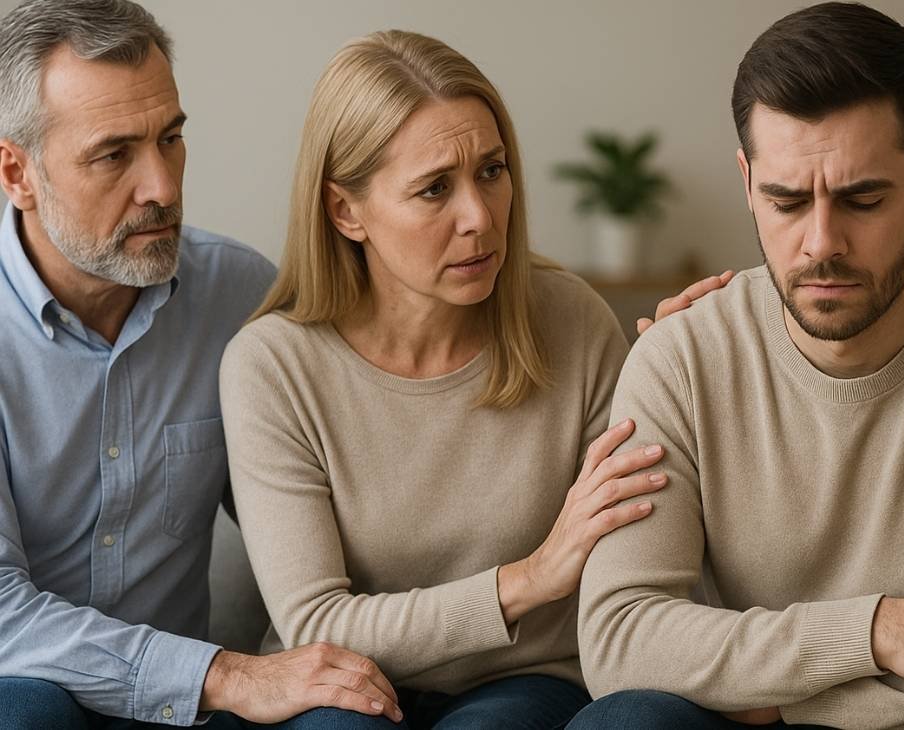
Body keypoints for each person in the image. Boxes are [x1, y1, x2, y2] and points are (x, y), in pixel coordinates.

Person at [571, 3, 904, 730]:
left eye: (862, 199)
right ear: (747, 184)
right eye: (786, 201)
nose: (821, 243)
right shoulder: (679, 358)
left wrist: (768, 699)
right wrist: (878, 631)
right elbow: (618, 642)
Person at [217, 29, 729, 730]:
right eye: (435, 189)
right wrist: (528, 579)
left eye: (491, 171)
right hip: (341, 681)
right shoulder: (272, 365)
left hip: (528, 679)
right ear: (345, 212)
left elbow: (647, 541)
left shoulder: (571, 319)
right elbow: (316, 623)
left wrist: (680, 375)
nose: (480, 218)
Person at [0, 1, 429, 726]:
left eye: (170, 139)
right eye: (114, 155)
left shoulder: (239, 296)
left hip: (187, 714)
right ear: (17, 173)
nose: (163, 188)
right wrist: (225, 674)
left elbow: (355, 509)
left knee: (345, 712)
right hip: (42, 693)